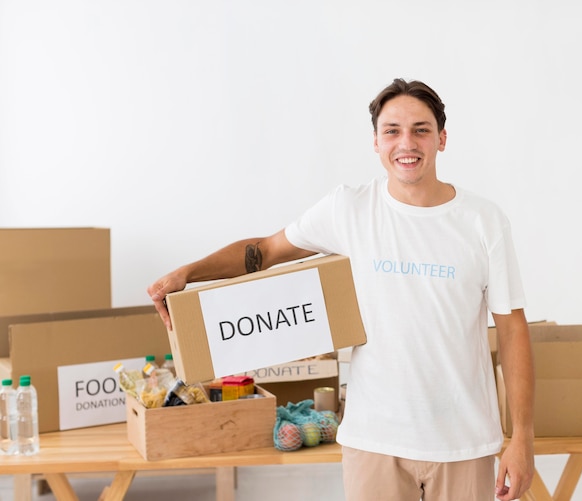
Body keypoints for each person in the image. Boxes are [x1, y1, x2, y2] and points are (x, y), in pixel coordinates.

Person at [147, 78, 535, 501]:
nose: (407, 142)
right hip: (373, 439)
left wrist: (523, 437)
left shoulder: (483, 221)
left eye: (421, 129)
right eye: (392, 130)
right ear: (375, 142)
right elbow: (266, 250)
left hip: (463, 441)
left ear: (442, 138)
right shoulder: (348, 209)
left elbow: (513, 330)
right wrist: (190, 271)